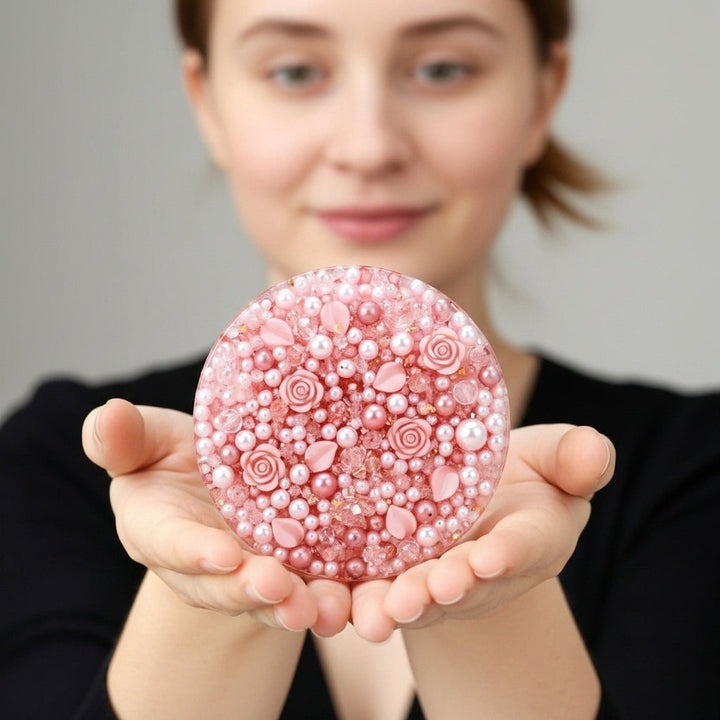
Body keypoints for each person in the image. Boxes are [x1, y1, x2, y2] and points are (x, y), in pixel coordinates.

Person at [1, 0, 718, 718]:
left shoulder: (688, 469)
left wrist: (496, 600)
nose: (369, 146)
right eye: (295, 71)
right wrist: (209, 585)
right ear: (208, 102)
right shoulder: (66, 462)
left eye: (443, 69)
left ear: (542, 95)